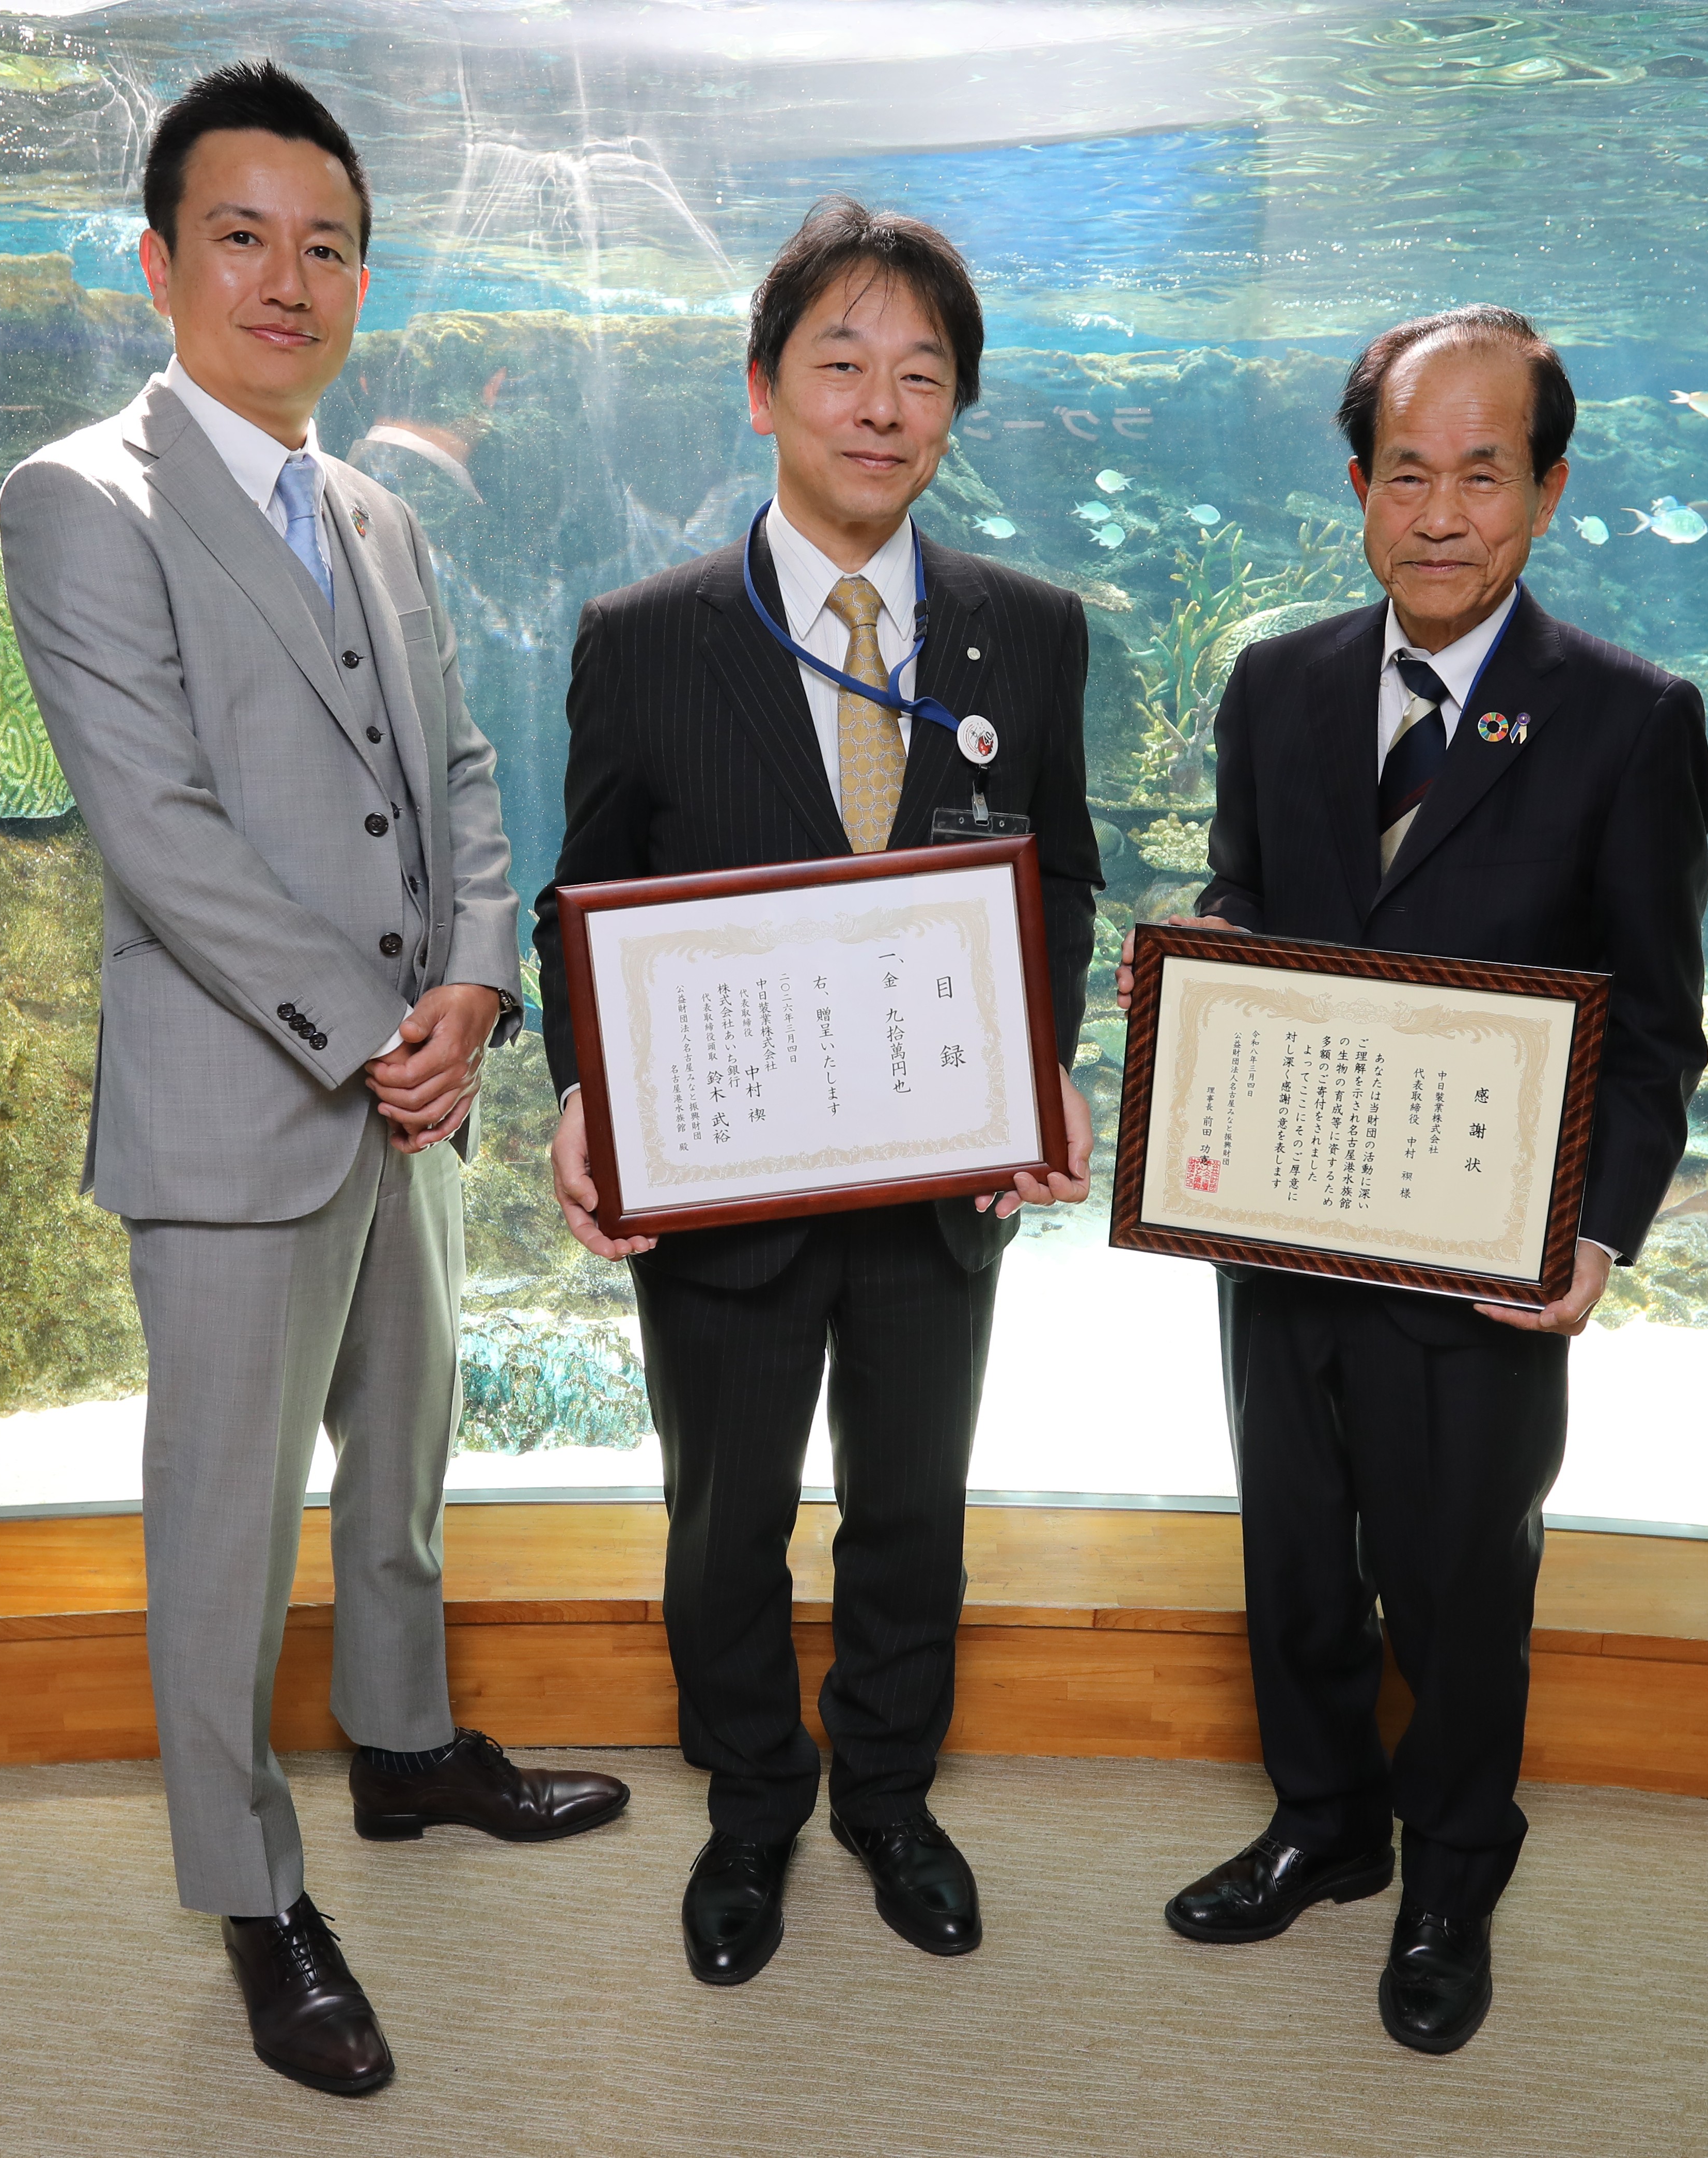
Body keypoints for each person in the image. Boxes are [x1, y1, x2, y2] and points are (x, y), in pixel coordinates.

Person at [0, 61, 627, 2098]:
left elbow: (461, 771)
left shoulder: (374, 509)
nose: (287, 278)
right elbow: (158, 831)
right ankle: (254, 1891)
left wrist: (475, 987)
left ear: (365, 277)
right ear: (160, 261)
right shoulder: (80, 499)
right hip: (243, 1105)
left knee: (404, 1458)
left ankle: (407, 1746)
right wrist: (375, 1028)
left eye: (327, 245)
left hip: (412, 1088)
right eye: (243, 237)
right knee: (222, 1522)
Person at [1125, 305, 1708, 2054]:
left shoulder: (1630, 720)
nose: (1439, 514)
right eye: (1404, 473)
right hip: (1283, 1229)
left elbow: (1657, 1028)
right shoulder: (1275, 683)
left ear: (1547, 488)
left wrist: (1596, 1231)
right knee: (1296, 1560)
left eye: (1481, 473)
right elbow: (1246, 897)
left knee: (1461, 1585)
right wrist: (1207, 975)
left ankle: (1454, 1867)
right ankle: (1324, 1820)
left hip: (1479, 1260)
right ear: (1356, 484)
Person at [533, 197, 1102, 1987]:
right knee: (727, 1519)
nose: (880, 406)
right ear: (762, 387)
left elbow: (1059, 874)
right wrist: (583, 1091)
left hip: (939, 1174)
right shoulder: (646, 636)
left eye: (920, 375)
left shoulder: (1032, 630)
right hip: (727, 1180)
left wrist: (1041, 1055)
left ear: (956, 410)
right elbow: (582, 894)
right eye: (840, 363)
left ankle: (889, 1795)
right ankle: (753, 1801)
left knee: (913, 1507)